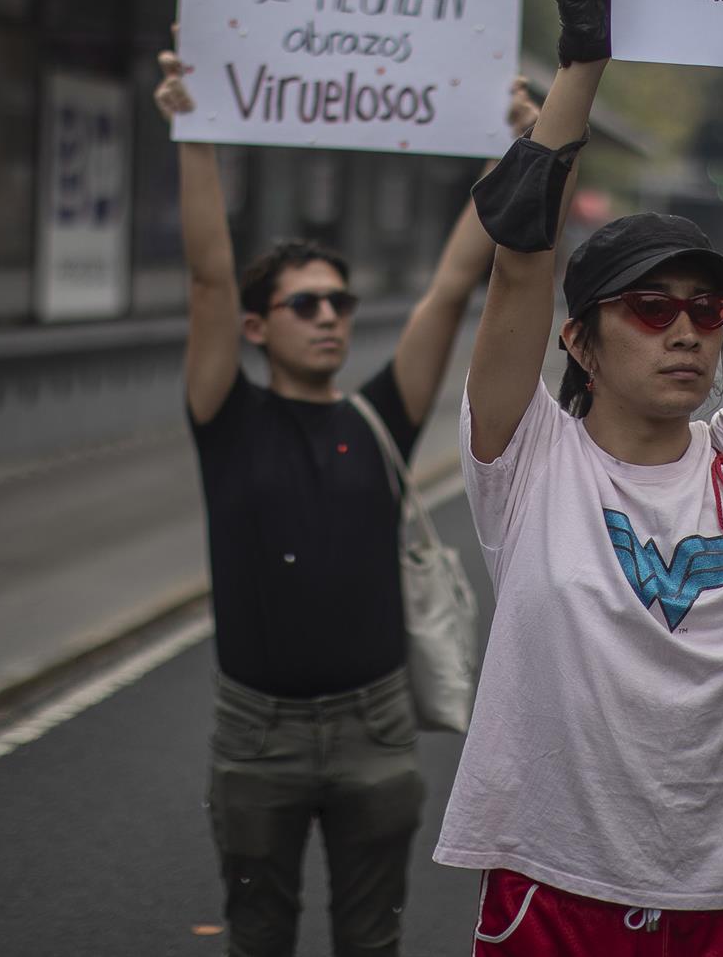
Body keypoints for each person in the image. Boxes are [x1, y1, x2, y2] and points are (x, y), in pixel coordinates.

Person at [438, 0, 723, 955]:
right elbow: (520, 263)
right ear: (578, 340)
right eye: (647, 306)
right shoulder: (529, 459)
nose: (685, 327)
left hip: (718, 902)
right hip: (553, 895)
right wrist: (582, 57)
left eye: (708, 308)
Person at [151, 47, 536, 957]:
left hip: (376, 729)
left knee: (372, 942)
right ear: (256, 327)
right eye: (305, 303)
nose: (330, 316)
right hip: (257, 737)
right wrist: (194, 126)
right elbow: (209, 276)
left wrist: (513, 151)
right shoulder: (225, 416)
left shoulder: (379, 417)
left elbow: (450, 286)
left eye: (341, 301)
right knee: (259, 939)